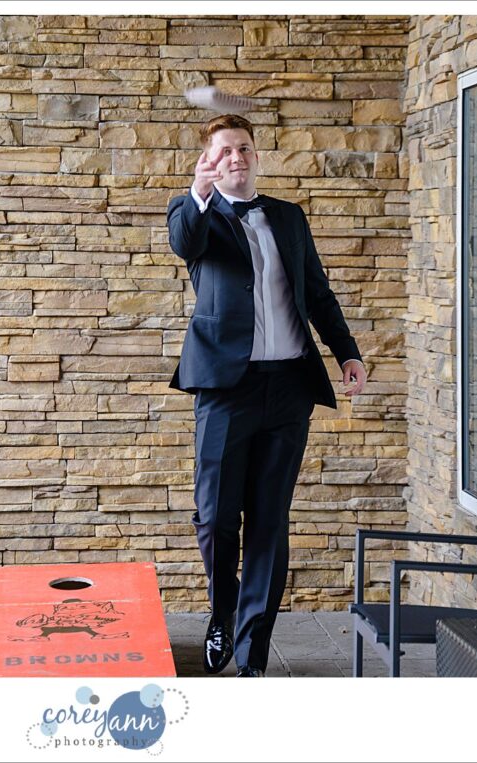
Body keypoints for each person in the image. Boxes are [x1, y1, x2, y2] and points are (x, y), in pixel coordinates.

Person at [167, 114, 367, 677]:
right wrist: (198, 192)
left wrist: (346, 351)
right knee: (214, 518)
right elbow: (186, 242)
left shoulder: (289, 217)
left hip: (288, 388)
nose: (236, 156)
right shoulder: (194, 215)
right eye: (224, 150)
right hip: (226, 389)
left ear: (257, 156)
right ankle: (223, 613)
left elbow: (318, 293)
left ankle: (253, 654)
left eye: (244, 148)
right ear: (210, 161)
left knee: (269, 523)